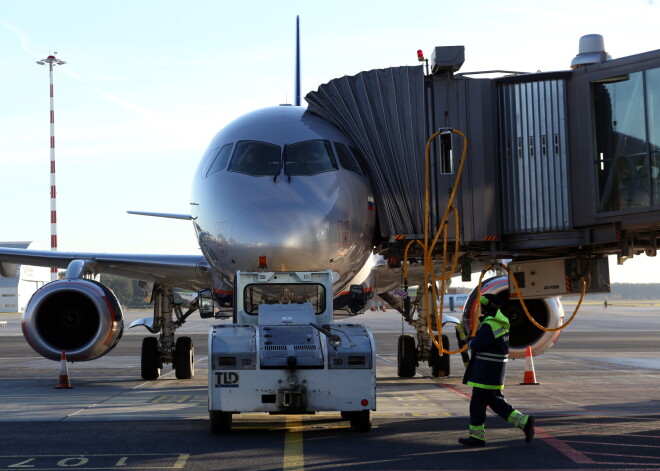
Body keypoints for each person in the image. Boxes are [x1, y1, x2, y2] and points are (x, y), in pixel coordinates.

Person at [459, 293, 534, 447]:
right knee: (494, 401)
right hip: (494, 371)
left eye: (482, 306)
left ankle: (477, 437)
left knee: (478, 404)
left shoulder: (490, 324)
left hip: (486, 371)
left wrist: (470, 341)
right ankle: (523, 421)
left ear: (486, 307)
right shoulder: (500, 321)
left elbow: (478, 344)